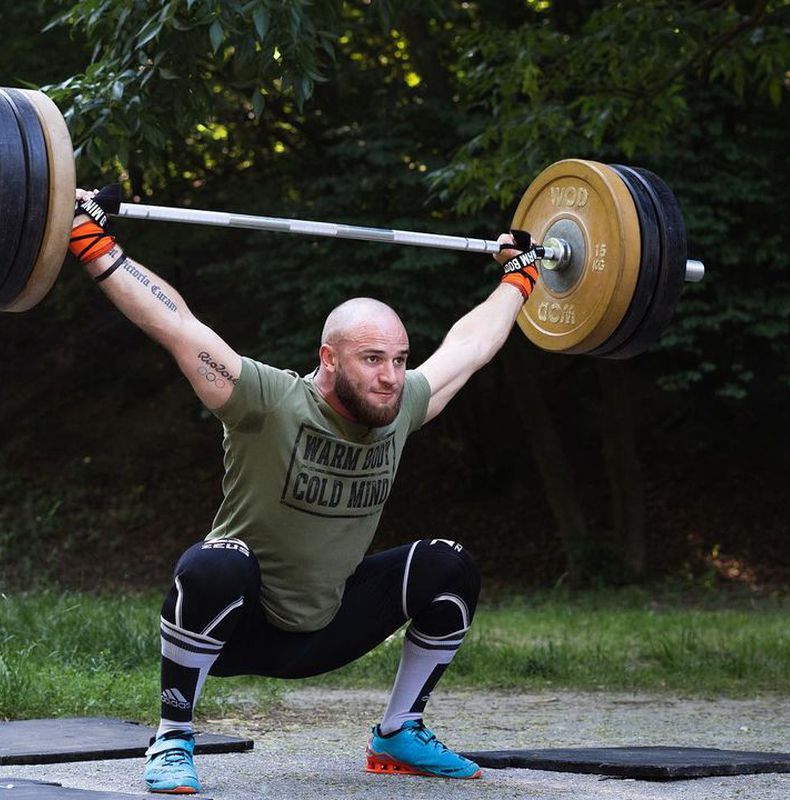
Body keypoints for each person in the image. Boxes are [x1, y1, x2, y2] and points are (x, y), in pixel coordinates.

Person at [69, 186, 541, 794]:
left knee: (448, 566)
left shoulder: (400, 406)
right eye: (373, 359)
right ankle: (173, 736)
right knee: (214, 563)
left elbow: (469, 347)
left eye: (399, 359)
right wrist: (93, 244)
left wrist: (518, 280)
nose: (390, 377)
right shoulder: (267, 401)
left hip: (329, 628)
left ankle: (398, 733)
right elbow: (176, 324)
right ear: (329, 358)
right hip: (238, 628)